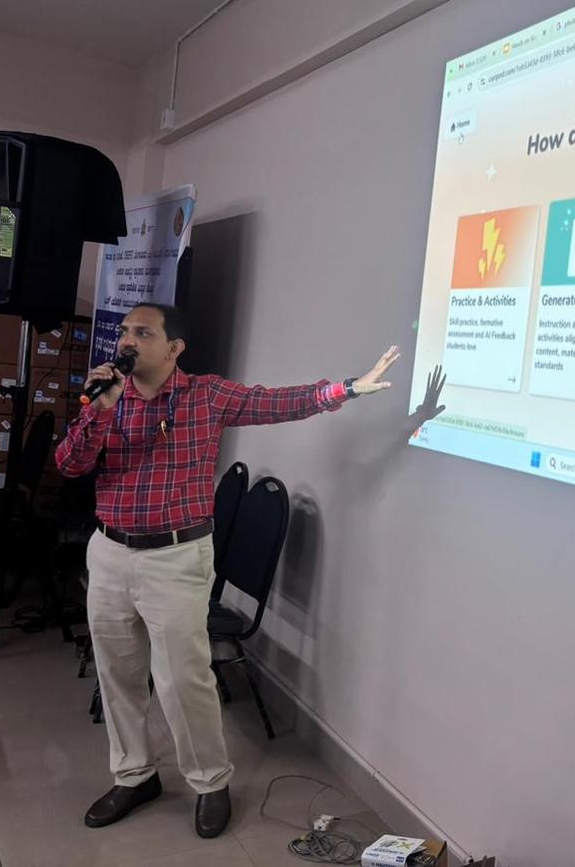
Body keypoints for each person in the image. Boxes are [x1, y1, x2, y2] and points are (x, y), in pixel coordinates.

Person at [55, 302, 442, 839]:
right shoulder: (107, 398)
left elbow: (280, 403)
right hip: (111, 551)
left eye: (142, 333)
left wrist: (349, 388)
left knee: (182, 681)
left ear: (173, 348)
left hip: (176, 557)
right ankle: (134, 774)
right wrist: (99, 409)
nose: (127, 341)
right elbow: (69, 464)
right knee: (117, 673)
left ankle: (210, 783)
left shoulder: (206, 395)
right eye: (125, 331)